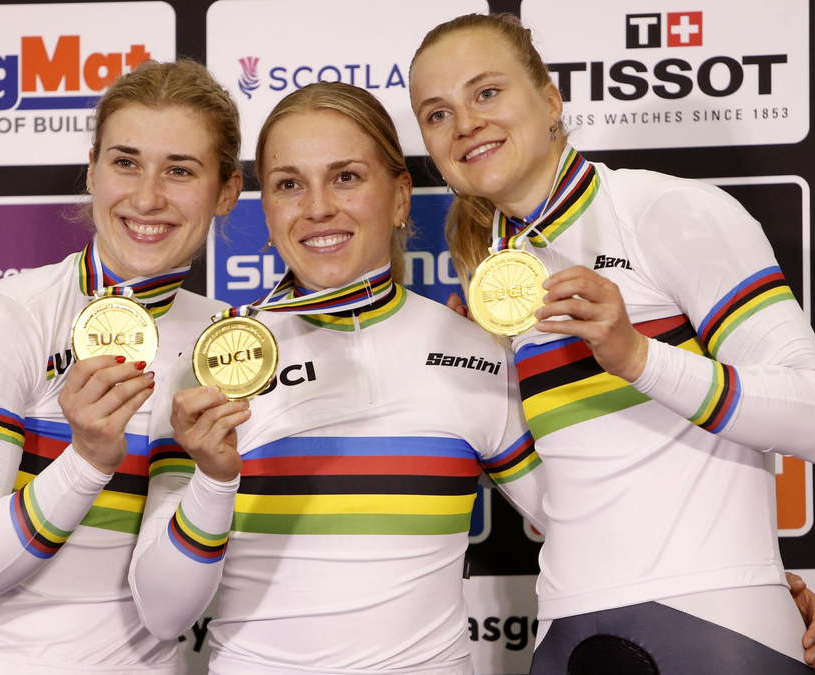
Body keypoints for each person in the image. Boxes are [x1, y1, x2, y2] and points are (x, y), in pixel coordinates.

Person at [408, 13, 815, 675]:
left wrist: (637, 355)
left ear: (550, 100)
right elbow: (573, 494)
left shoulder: (663, 211)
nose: (465, 122)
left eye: (486, 93)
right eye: (437, 113)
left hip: (715, 624)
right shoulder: (497, 277)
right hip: (563, 629)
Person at [129, 81, 548, 675]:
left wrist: (543, 362)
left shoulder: (474, 348)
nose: (318, 207)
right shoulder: (214, 362)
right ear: (267, 212)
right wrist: (214, 482)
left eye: (346, 176)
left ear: (400, 197)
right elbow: (164, 614)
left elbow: (570, 520)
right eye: (289, 184)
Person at [0, 59, 242, 675]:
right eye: (125, 162)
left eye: (180, 170)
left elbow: (169, 615)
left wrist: (216, 481)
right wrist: (86, 462)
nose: (147, 197)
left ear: (226, 190)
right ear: (91, 170)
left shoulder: (225, 342)